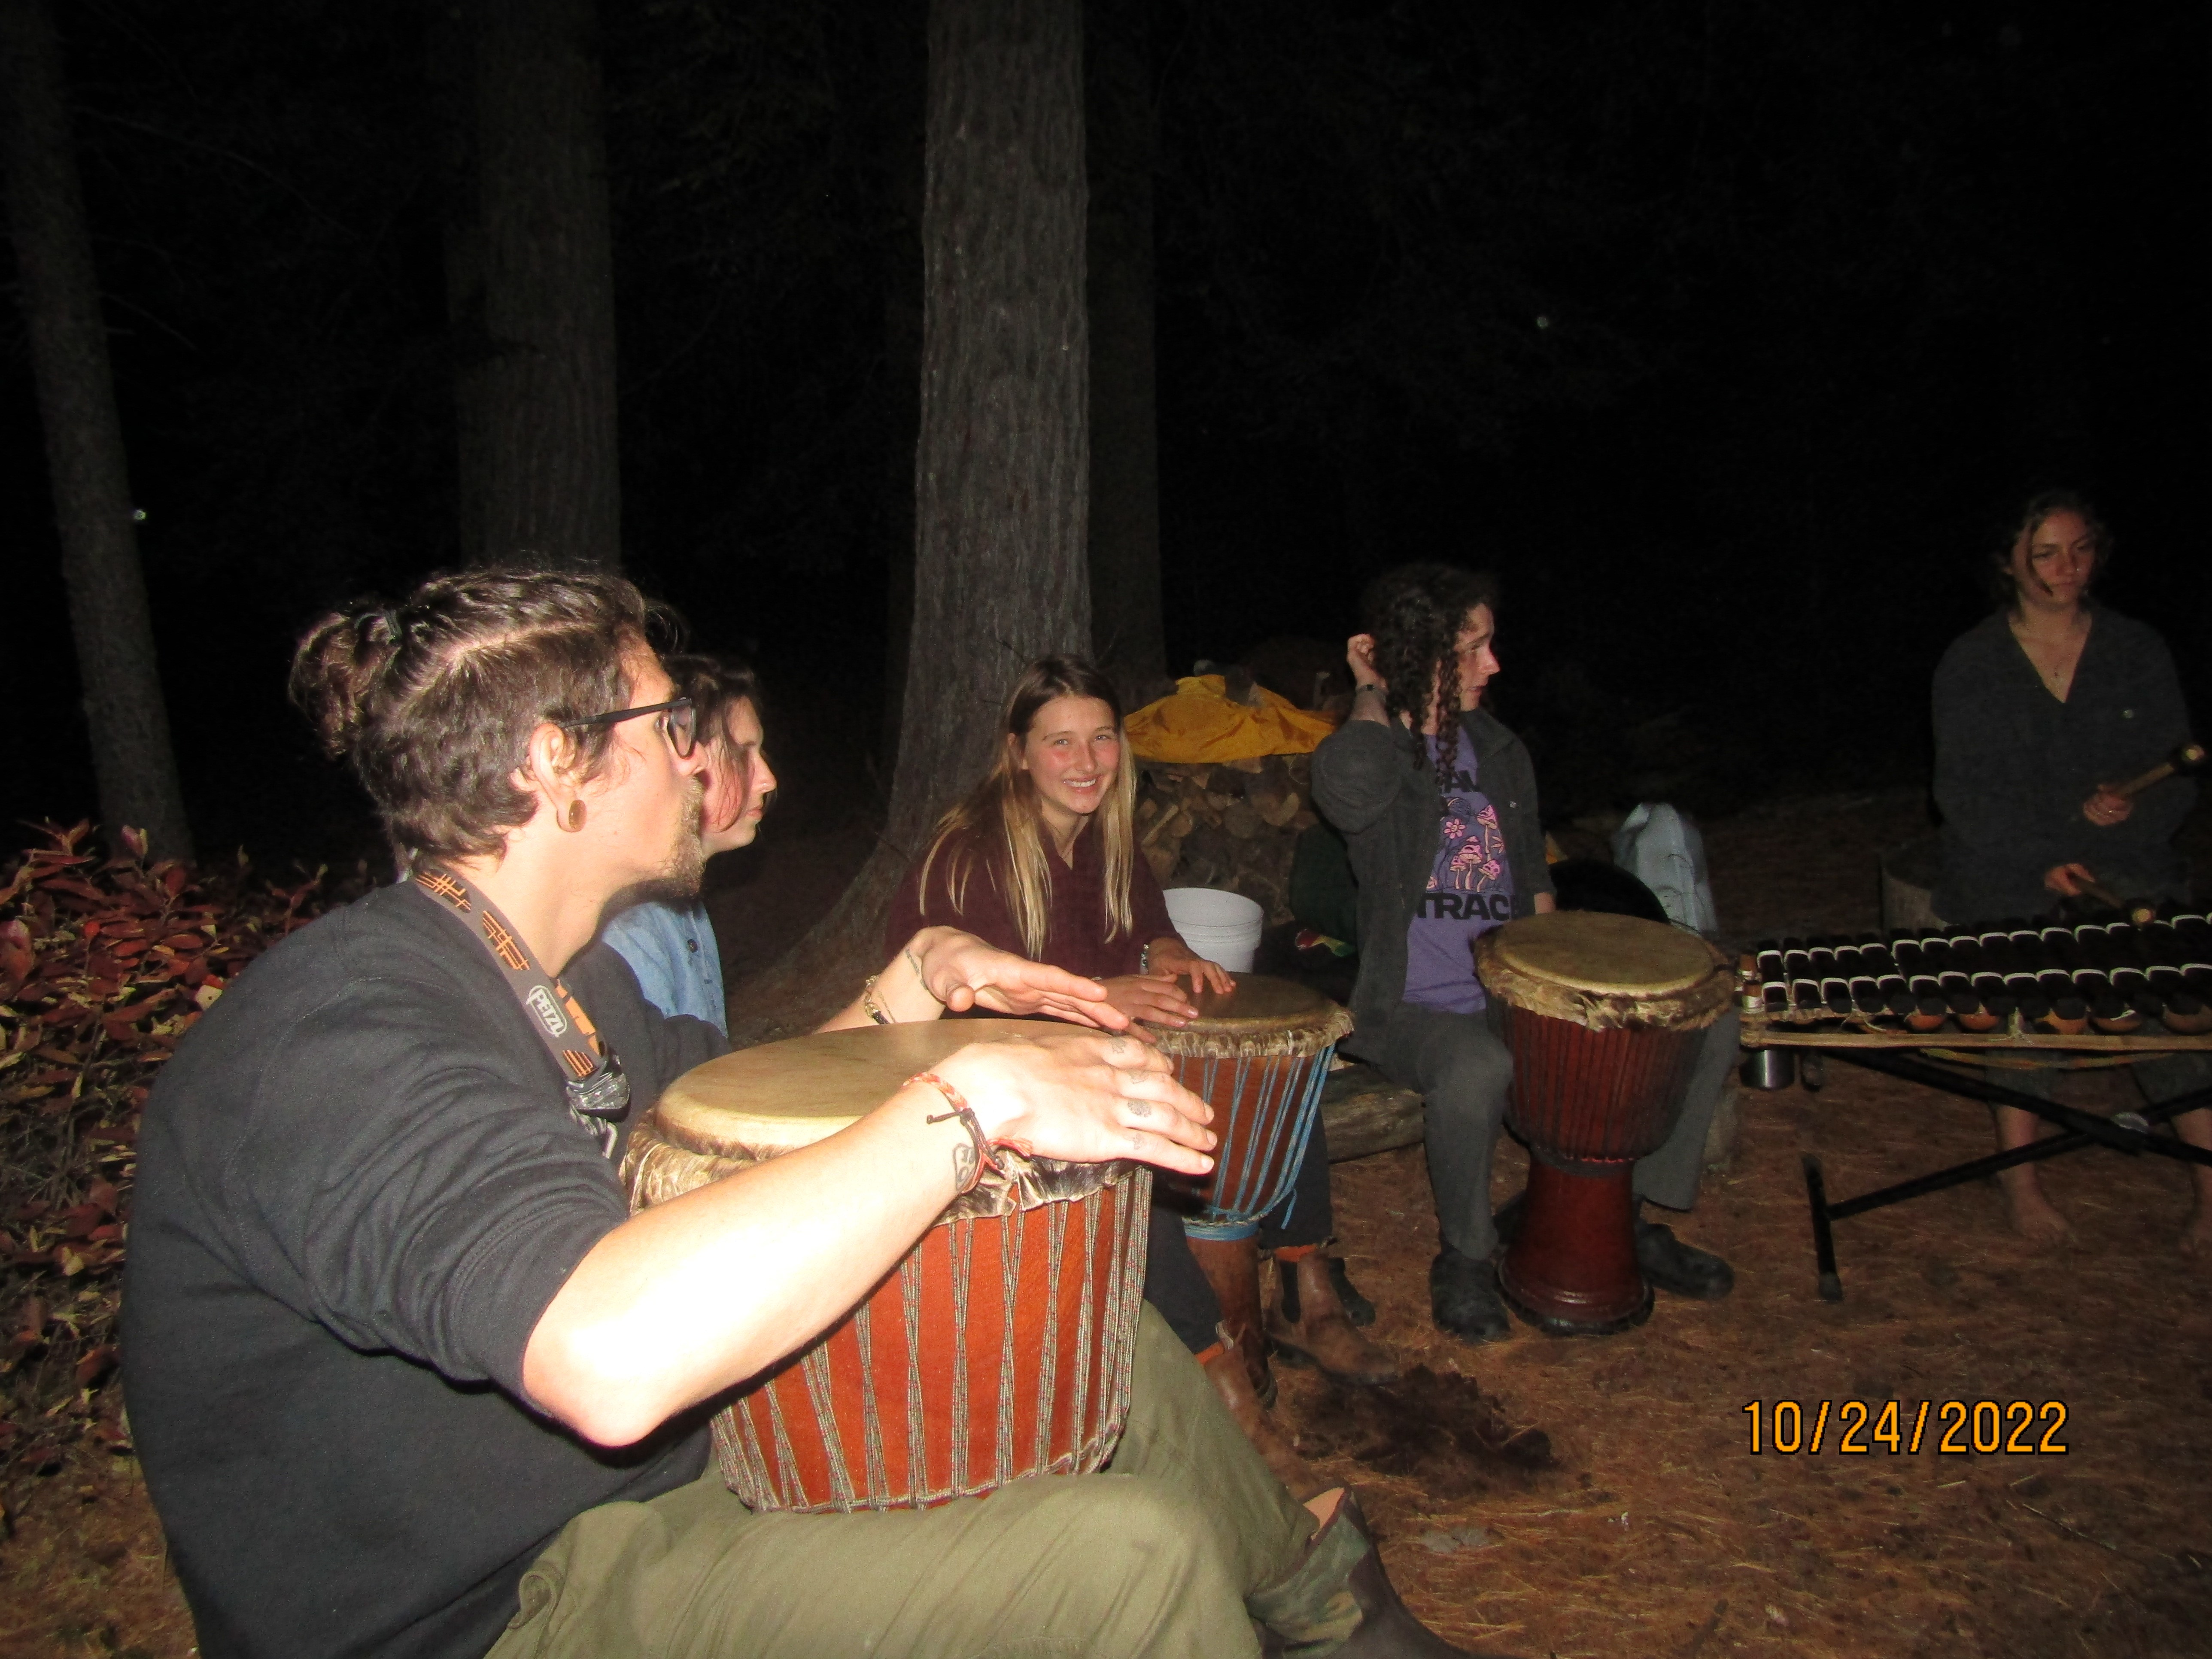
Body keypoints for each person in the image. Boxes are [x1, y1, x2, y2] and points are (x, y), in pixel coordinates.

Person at [121, 569, 1486, 1659]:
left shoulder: (573, 984)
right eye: (671, 728)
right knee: (1133, 1563)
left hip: (661, 1484)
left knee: (1104, 1348)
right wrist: (974, 1094)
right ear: (555, 762)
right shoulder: (341, 1036)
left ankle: (1330, 1612)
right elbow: (606, 1356)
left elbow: (728, 1123)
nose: (705, 759)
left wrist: (917, 983)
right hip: (497, 1603)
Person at [888, 656, 1398, 1498]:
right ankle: (1224, 1389)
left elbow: (1149, 922)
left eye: (1101, 739)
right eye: (1060, 743)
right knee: (1133, 1162)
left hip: (1089, 1057)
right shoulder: (970, 856)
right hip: (985, 1098)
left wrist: (1164, 950)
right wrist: (1101, 995)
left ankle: (1306, 1290)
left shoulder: (1101, 833)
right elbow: (958, 1025)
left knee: (1276, 1057)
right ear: (1017, 752)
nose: (1087, 761)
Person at [1312, 563, 1738, 1345]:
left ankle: (1625, 1217)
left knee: (1705, 1019)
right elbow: (1348, 796)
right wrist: (1372, 688)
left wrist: (1569, 991)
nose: (1493, 664)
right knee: (1475, 1064)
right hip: (1411, 1007)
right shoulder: (1371, 751)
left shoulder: (1499, 749)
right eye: (1470, 649)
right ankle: (1467, 1257)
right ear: (1419, 654)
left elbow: (1535, 882)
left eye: (1490, 644)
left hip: (1510, 993)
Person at [1932, 489, 2212, 1252]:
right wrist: (2042, 858)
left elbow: (2176, 773)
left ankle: (2208, 1182)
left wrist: (2132, 810)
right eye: (2046, 553)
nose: (2067, 567)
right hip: (2009, 868)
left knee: (2169, 1000)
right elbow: (1962, 794)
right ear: (2009, 562)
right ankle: (2020, 1178)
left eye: (2081, 549)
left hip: (2125, 867)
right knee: (2028, 999)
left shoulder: (2135, 649)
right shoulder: (1973, 661)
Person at [600, 654, 775, 1034]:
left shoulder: (684, 906)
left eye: (760, 753)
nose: (768, 779)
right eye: (742, 755)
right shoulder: (631, 929)